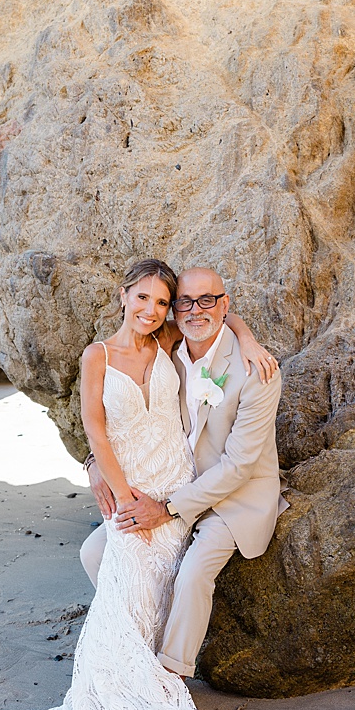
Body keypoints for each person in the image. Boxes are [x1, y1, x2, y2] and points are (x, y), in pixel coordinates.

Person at [0, 259, 275, 710]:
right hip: (143, 480)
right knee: (107, 561)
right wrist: (101, 474)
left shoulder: (202, 349)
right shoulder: (125, 350)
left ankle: (162, 679)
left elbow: (219, 318)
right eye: (146, 300)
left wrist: (249, 337)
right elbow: (97, 427)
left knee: (165, 567)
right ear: (124, 295)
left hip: (192, 484)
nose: (156, 311)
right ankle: (117, 680)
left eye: (163, 302)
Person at [81, 264, 284, 680]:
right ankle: (137, 639)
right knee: (94, 552)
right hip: (172, 478)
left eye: (207, 300)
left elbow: (239, 466)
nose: (195, 310)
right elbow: (113, 422)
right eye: (184, 302)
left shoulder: (256, 371)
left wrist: (168, 508)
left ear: (224, 304)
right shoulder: (168, 345)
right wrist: (93, 465)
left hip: (232, 496)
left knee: (192, 574)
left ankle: (170, 675)